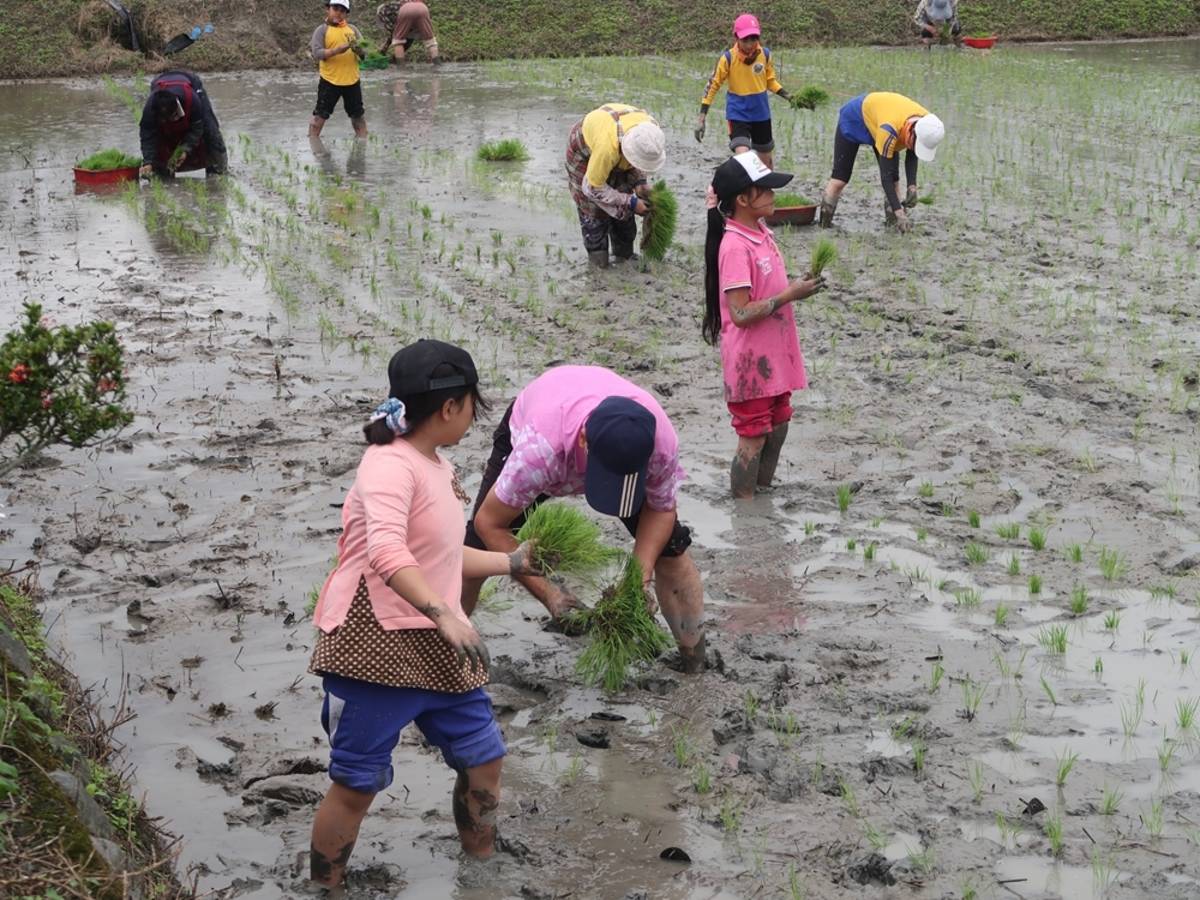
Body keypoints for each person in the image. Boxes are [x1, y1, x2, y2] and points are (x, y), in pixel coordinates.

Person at [307, 340, 541, 889]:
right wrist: (445, 610)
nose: (472, 415)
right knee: (356, 783)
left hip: (439, 641)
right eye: (471, 404)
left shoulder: (435, 465)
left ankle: (479, 863)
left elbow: (442, 552)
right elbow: (389, 555)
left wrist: (511, 562)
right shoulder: (388, 467)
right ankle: (325, 886)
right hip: (376, 645)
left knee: (484, 759)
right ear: (451, 407)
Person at [462, 366, 707, 673]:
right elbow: (490, 523)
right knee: (472, 551)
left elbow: (660, 510)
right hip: (546, 418)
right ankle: (445, 648)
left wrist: (637, 581)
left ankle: (694, 659)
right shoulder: (538, 453)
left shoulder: (660, 444)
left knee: (671, 551)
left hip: (607, 428)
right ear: (583, 442)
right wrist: (550, 593)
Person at [703, 154, 826, 499]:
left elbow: (770, 288)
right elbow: (740, 313)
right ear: (742, 199)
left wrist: (796, 287)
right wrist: (789, 295)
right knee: (754, 435)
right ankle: (745, 507)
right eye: (766, 189)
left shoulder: (760, 233)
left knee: (780, 425)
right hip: (751, 364)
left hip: (773, 358)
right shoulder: (735, 246)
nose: (774, 195)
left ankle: (762, 492)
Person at [818, 92, 944, 233]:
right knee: (839, 180)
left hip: (882, 117)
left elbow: (913, 152)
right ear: (910, 133)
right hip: (855, 118)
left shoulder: (927, 123)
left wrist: (912, 186)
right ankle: (824, 227)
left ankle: (894, 229)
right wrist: (900, 212)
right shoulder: (889, 131)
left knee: (895, 181)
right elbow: (885, 178)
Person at [566, 103, 667, 268]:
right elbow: (591, 188)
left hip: (616, 144)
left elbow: (638, 158)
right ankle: (598, 260)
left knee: (624, 218)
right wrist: (632, 202)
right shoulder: (608, 148)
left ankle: (624, 254)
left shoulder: (651, 132)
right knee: (594, 214)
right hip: (585, 151)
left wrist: (640, 184)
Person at [695, 13, 795, 168]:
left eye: (754, 39)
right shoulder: (728, 59)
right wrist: (702, 117)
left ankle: (763, 192)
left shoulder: (765, 55)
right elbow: (713, 85)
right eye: (745, 39)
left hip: (761, 113)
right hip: (738, 113)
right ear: (736, 38)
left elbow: (770, 81)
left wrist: (789, 97)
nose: (750, 44)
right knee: (745, 160)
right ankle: (743, 190)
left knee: (766, 165)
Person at [137, 70, 227, 179]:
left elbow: (197, 128)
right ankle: (162, 172)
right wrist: (148, 161)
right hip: (159, 81)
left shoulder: (192, 99)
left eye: (172, 116)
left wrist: (185, 149)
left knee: (210, 128)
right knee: (160, 136)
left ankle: (219, 172)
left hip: (190, 81)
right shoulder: (150, 109)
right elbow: (147, 136)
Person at [309, 0, 368, 139]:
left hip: (352, 81)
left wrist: (359, 50)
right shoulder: (322, 30)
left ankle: (362, 143)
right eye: (335, 8)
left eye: (342, 10)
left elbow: (365, 53)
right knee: (320, 116)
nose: (338, 13)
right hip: (330, 81)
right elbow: (317, 53)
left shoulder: (352, 30)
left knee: (358, 116)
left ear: (346, 13)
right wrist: (336, 50)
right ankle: (313, 143)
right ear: (328, 9)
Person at [376, 0, 440, 63]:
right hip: (422, 8)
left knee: (398, 40)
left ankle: (401, 66)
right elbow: (409, 38)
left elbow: (393, 34)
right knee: (430, 40)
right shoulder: (394, 6)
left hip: (405, 10)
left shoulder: (383, 11)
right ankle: (437, 64)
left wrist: (384, 49)